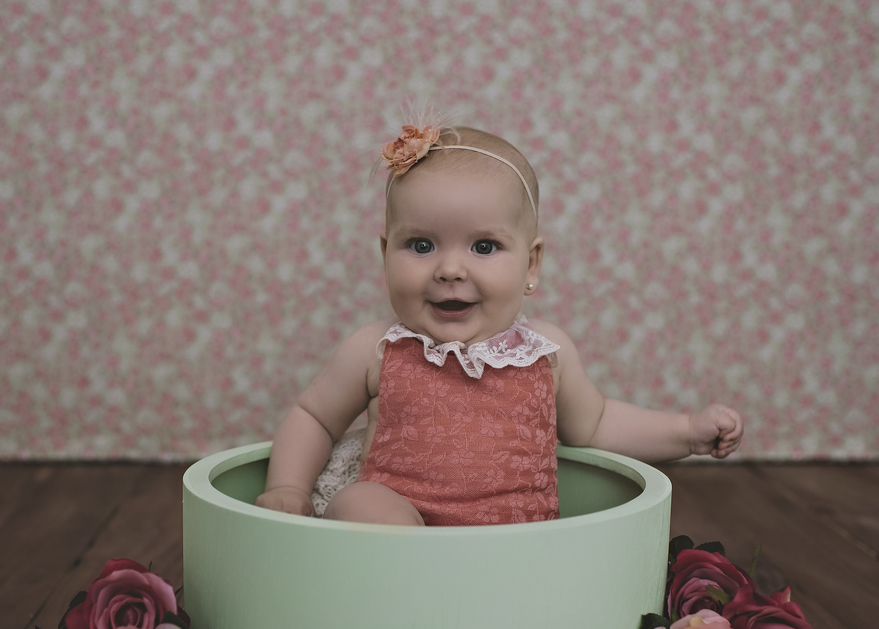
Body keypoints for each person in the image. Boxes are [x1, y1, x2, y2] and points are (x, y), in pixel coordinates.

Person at [255, 123, 742, 526]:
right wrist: (287, 487)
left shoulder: (545, 352)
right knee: (360, 506)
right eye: (421, 245)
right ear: (385, 255)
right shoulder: (379, 349)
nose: (449, 269)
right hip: (401, 535)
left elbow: (596, 423)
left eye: (483, 247)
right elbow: (314, 416)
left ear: (531, 265)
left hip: (514, 548)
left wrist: (686, 433)